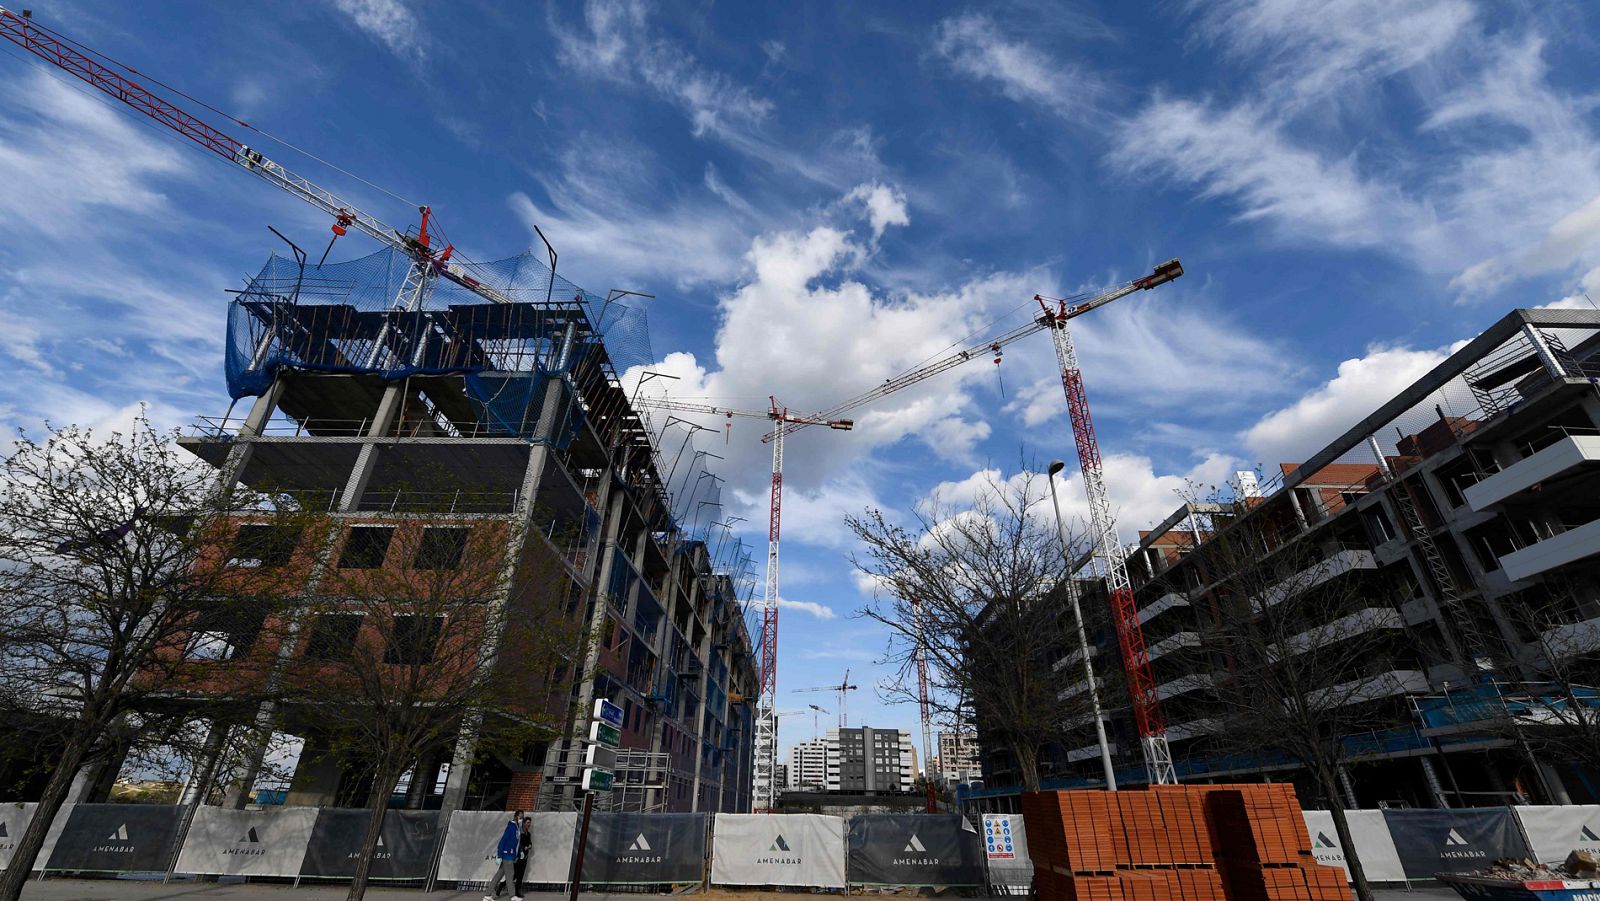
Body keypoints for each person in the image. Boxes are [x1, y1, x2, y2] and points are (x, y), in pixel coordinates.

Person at [484, 810, 523, 901]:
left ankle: (487, 895)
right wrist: (499, 855)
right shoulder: (511, 827)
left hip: (511, 854)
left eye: (522, 817)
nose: (521, 818)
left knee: (498, 875)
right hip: (507, 854)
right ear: (516, 816)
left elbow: (517, 842)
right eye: (520, 816)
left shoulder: (517, 828)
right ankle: (512, 896)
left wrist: (520, 851)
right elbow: (503, 841)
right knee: (510, 875)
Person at [512, 815, 533, 895]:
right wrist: (523, 848)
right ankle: (502, 885)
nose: (529, 824)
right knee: (515, 875)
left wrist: (530, 846)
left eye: (530, 823)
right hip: (519, 856)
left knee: (520, 875)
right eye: (528, 823)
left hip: (525, 857)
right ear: (524, 823)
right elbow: (517, 843)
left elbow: (530, 843)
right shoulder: (520, 832)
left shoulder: (529, 834)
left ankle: (517, 892)